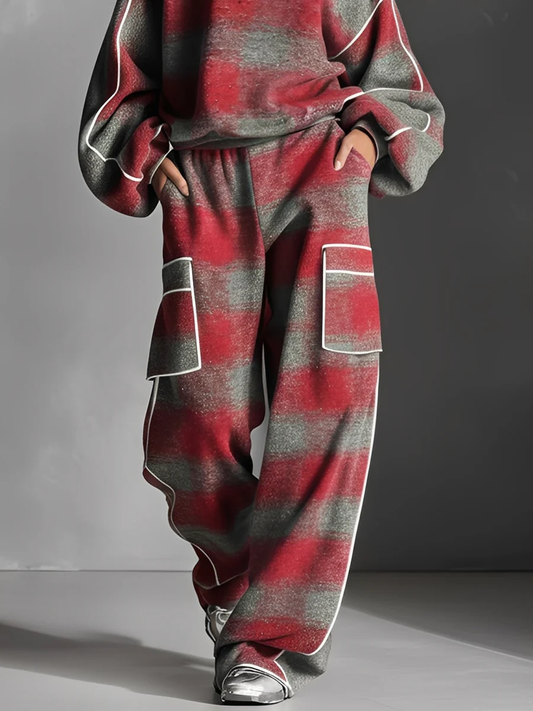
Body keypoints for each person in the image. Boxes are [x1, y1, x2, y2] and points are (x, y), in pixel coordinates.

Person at [77, 0, 445, 704]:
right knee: (194, 416)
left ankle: (264, 643)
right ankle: (237, 586)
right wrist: (147, 156)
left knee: (325, 406)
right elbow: (117, 90)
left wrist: (371, 139)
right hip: (204, 176)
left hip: (316, 169)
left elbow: (399, 81)